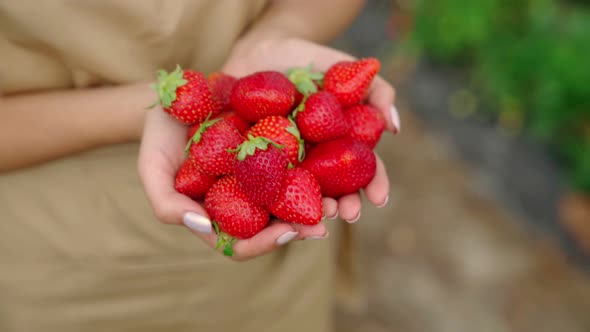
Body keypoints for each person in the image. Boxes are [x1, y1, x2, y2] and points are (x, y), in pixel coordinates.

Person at [0, 0, 400, 331]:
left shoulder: (274, 157)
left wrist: (275, 34)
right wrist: (146, 109)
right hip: (71, 251)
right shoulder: (261, 150)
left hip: (273, 246)